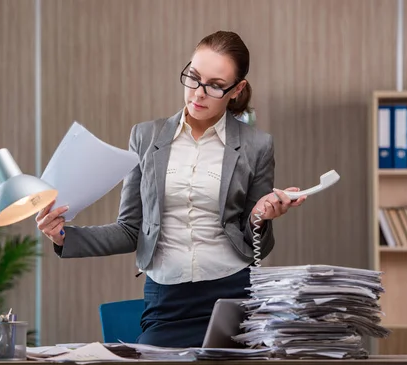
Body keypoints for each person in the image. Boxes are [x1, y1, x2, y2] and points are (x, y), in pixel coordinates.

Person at [36, 31, 307, 348]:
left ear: (237, 90)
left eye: (215, 85)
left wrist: (261, 216)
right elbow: (130, 230)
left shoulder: (256, 145)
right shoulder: (146, 137)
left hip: (232, 293)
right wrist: (64, 236)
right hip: (166, 298)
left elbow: (258, 243)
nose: (198, 93)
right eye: (193, 78)